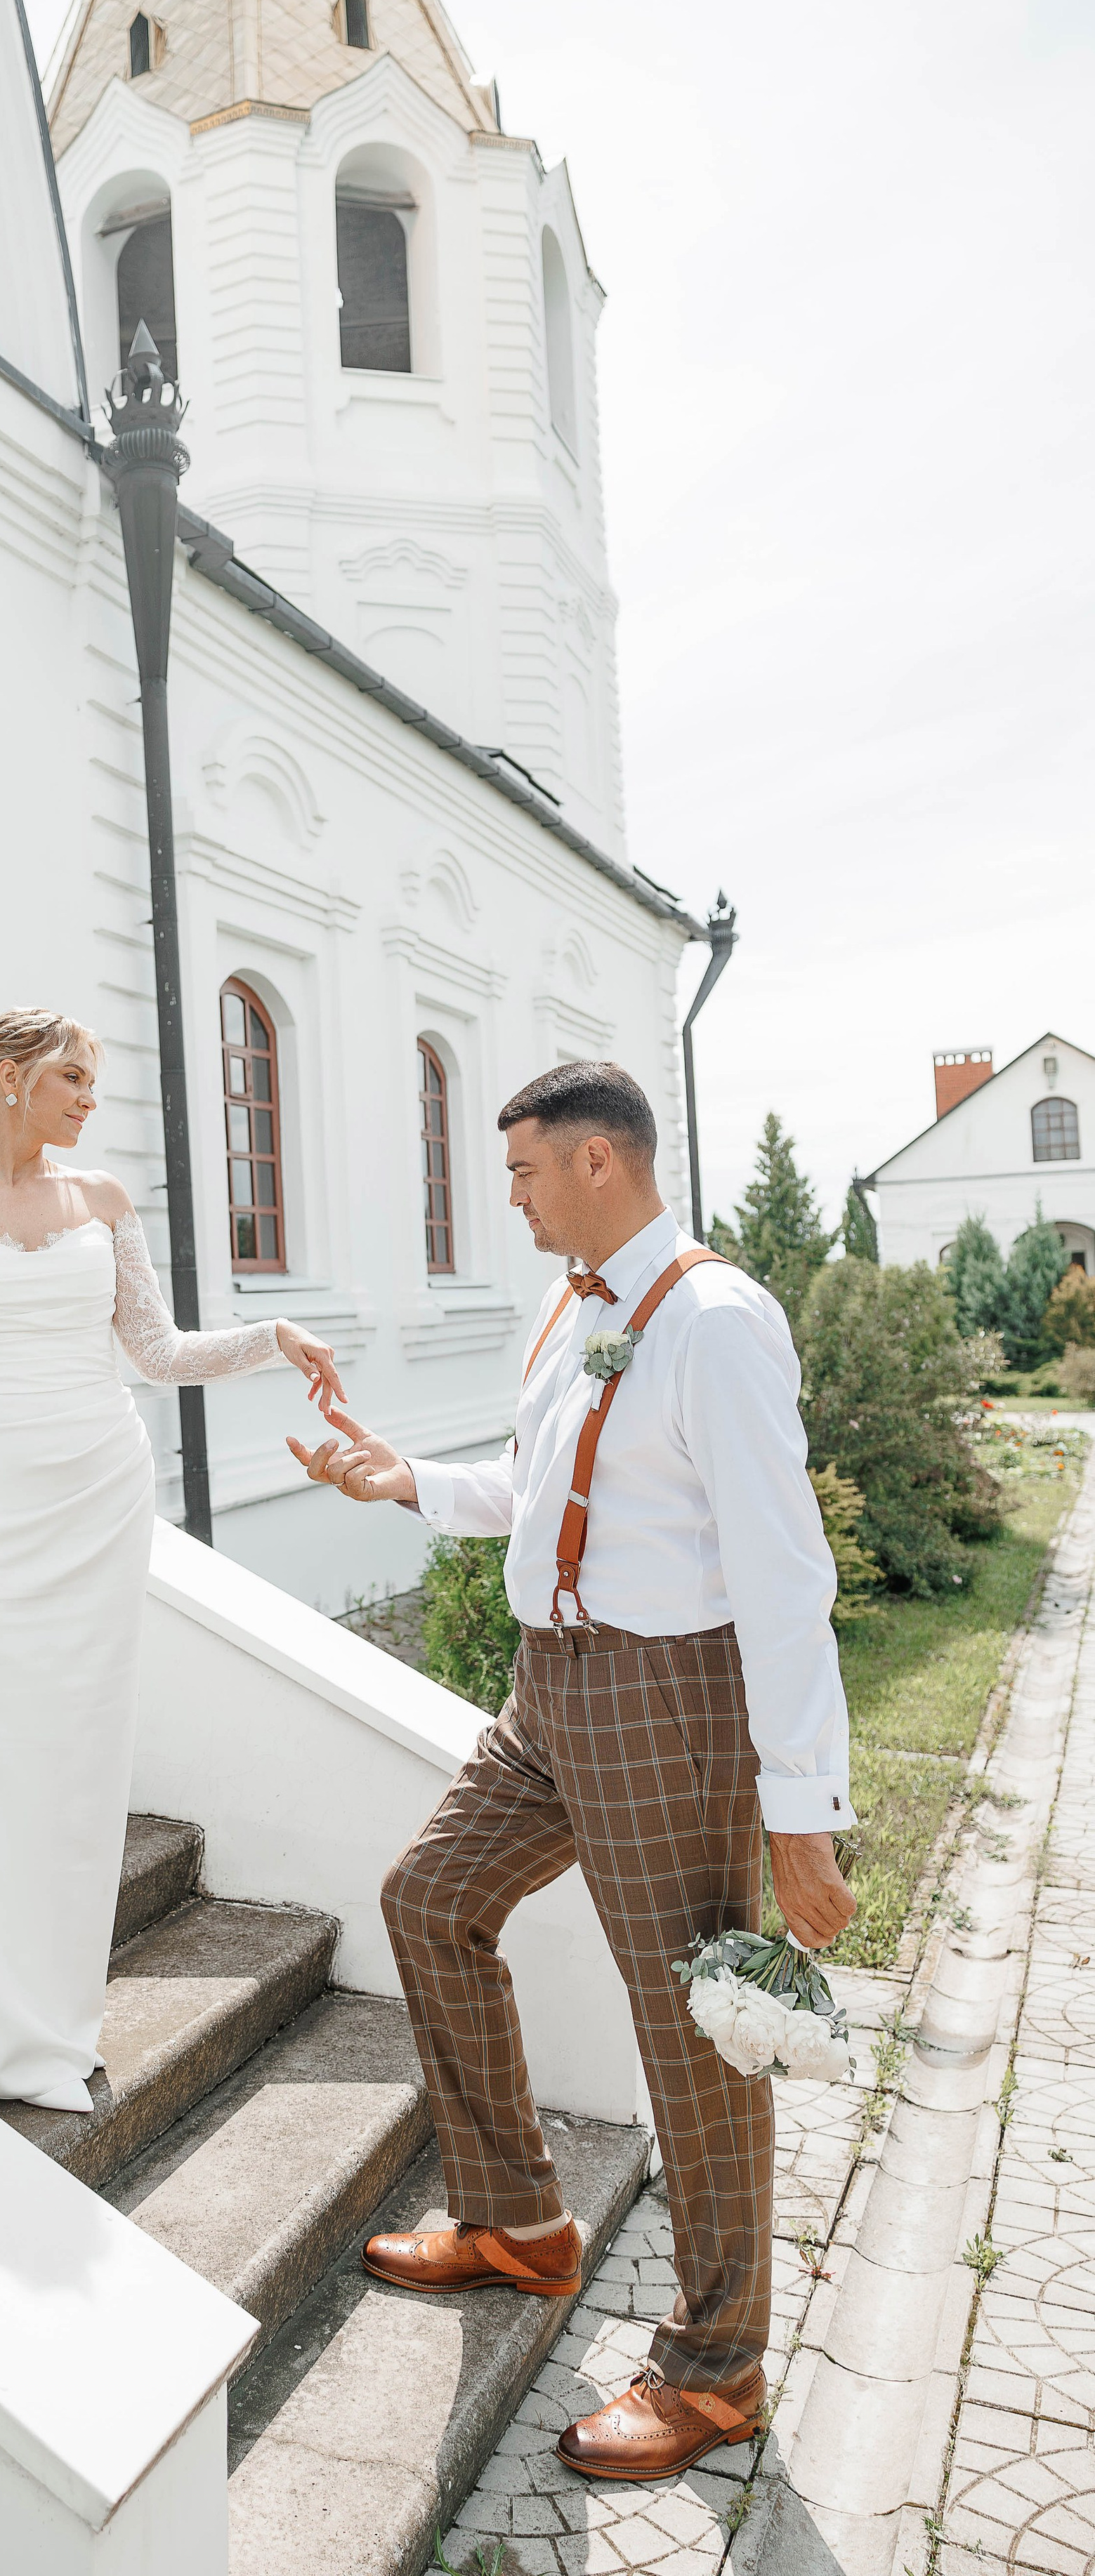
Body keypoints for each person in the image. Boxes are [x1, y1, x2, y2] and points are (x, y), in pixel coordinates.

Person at [287, 1059, 855, 2483]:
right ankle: (517, 2222)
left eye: (526, 1174)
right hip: (548, 1695)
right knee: (429, 1898)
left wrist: (800, 1813)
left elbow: (785, 1575)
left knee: (690, 2031)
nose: (513, 1199)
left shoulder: (716, 1321)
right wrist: (400, 1478)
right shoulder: (572, 1304)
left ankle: (715, 2372)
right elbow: (534, 1491)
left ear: (599, 1162)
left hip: (668, 1705)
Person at [0, 1007, 343, 2113]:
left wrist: (273, 1336)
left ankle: (50, 2005)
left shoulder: (104, 1201)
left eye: (96, 1079)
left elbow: (156, 1351)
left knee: (76, 1753)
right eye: (72, 1075)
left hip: (96, 1491)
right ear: (6, 1077)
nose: (91, 1096)